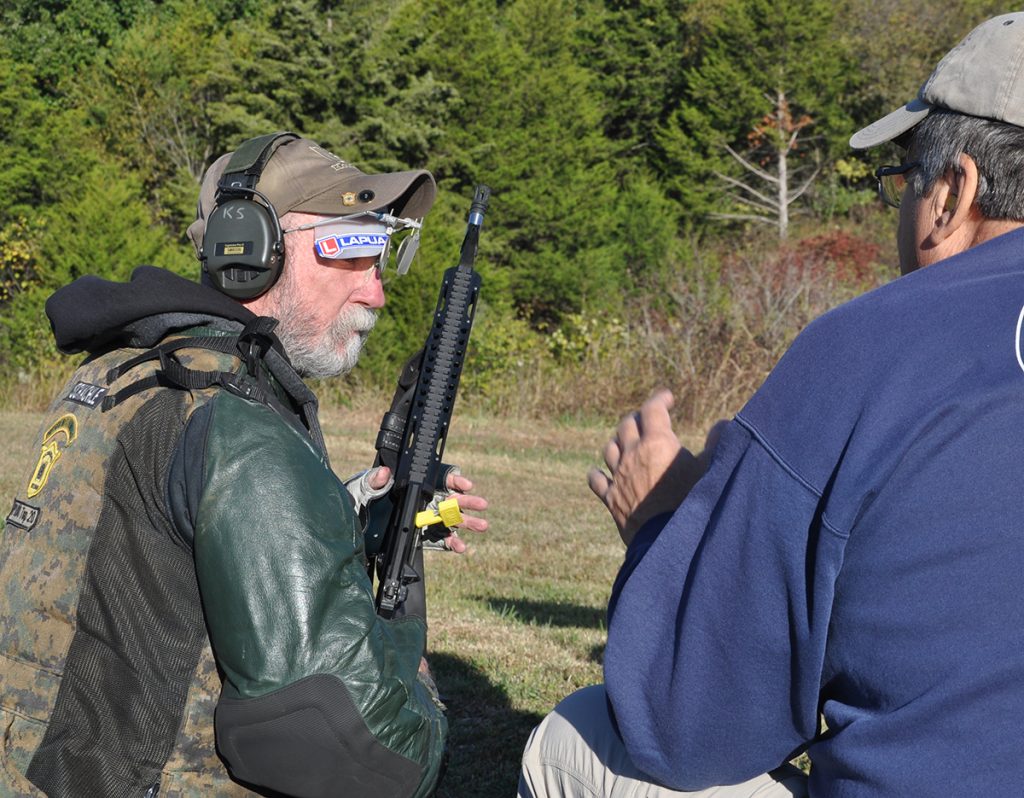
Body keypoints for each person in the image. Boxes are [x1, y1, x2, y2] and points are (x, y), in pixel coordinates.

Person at [519, 12, 1024, 798]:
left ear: (954, 190)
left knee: (568, 741)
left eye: (904, 183)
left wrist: (665, 526)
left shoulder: (867, 348)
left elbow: (687, 727)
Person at [0, 132, 487, 797]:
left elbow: (164, 555)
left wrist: (354, 515)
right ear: (252, 249)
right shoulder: (241, 427)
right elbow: (355, 755)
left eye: (384, 255)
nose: (376, 293)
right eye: (355, 249)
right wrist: (410, 658)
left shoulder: (119, 372)